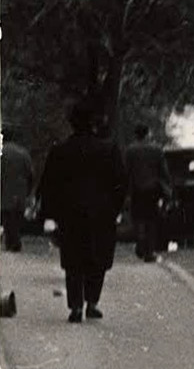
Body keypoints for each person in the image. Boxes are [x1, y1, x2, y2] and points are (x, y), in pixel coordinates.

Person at [36, 100, 128, 323]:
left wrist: (50, 214)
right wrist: (114, 208)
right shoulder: (109, 149)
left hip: (70, 213)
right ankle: (92, 302)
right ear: (94, 123)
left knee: (73, 260)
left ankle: (75, 306)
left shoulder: (60, 151)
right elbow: (121, 183)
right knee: (98, 259)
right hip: (101, 214)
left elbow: (49, 185)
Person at [123, 124, 171, 261]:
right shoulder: (156, 150)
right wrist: (167, 188)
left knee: (138, 219)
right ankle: (149, 252)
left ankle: (140, 243)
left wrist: (126, 191)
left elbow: (126, 172)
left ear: (136, 135)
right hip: (152, 190)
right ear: (148, 133)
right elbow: (163, 171)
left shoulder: (130, 151)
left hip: (137, 190)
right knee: (151, 221)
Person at [1, 135, 33, 253]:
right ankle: (14, 243)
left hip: (6, 192)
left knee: (8, 219)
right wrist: (28, 192)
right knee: (16, 220)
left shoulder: (2, 151)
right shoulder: (24, 153)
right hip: (21, 193)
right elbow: (30, 175)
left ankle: (11, 244)